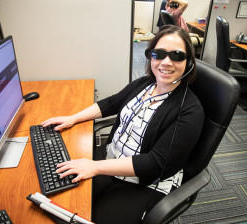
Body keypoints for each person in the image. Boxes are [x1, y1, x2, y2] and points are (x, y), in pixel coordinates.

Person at [42, 25, 205, 223]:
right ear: (151, 57)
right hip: (112, 161)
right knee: (62, 200)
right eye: (159, 54)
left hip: (145, 182)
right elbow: (112, 103)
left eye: (177, 56)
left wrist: (95, 167)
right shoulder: (145, 84)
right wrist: (73, 118)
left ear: (188, 63)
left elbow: (155, 163)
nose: (166, 62)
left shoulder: (190, 110)